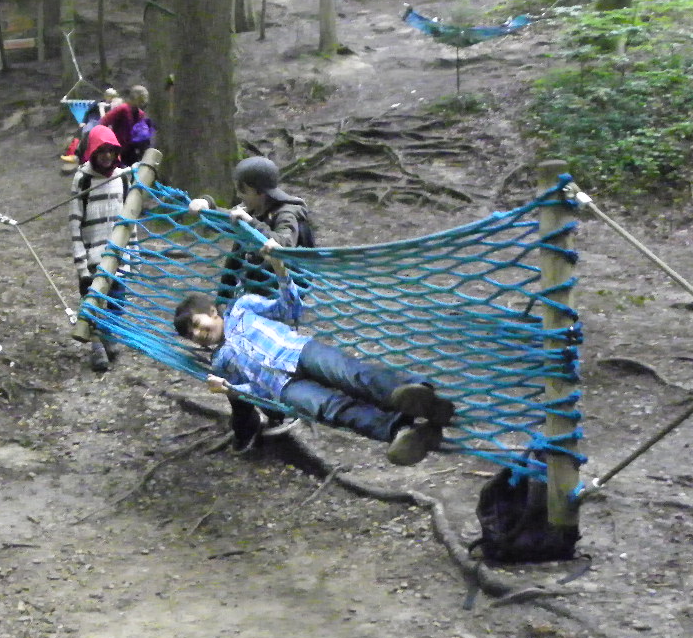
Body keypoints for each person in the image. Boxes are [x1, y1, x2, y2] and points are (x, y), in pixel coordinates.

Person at [173, 251, 455, 466]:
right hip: (283, 389)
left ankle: (417, 394)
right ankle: (401, 431)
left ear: (213, 311)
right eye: (191, 335)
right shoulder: (220, 362)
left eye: (197, 324)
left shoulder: (242, 308)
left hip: (298, 350)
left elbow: (288, 309)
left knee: (352, 374)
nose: (197, 334)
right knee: (334, 409)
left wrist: (280, 270)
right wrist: (230, 389)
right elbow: (254, 391)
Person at [187, 156, 315, 449]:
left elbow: (283, 243)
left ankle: (278, 413)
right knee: (229, 361)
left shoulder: (287, 213)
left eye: (242, 190)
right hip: (249, 303)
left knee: (263, 365)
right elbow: (229, 221)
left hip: (277, 303)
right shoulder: (252, 209)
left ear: (259, 191)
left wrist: (252, 224)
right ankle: (245, 425)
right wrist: (207, 204)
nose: (239, 197)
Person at [69, 124, 130, 372]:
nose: (107, 156)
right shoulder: (83, 179)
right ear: (93, 152)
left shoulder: (123, 177)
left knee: (117, 301)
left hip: (119, 254)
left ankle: (109, 336)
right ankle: (97, 346)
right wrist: (82, 267)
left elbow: (130, 218)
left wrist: (133, 253)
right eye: (101, 151)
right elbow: (75, 225)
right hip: (93, 254)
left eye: (111, 151)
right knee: (94, 301)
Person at [99, 84, 151, 167]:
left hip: (130, 149)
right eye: (142, 98)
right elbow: (104, 121)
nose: (144, 101)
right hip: (117, 148)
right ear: (135, 97)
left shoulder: (140, 114)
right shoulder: (123, 109)